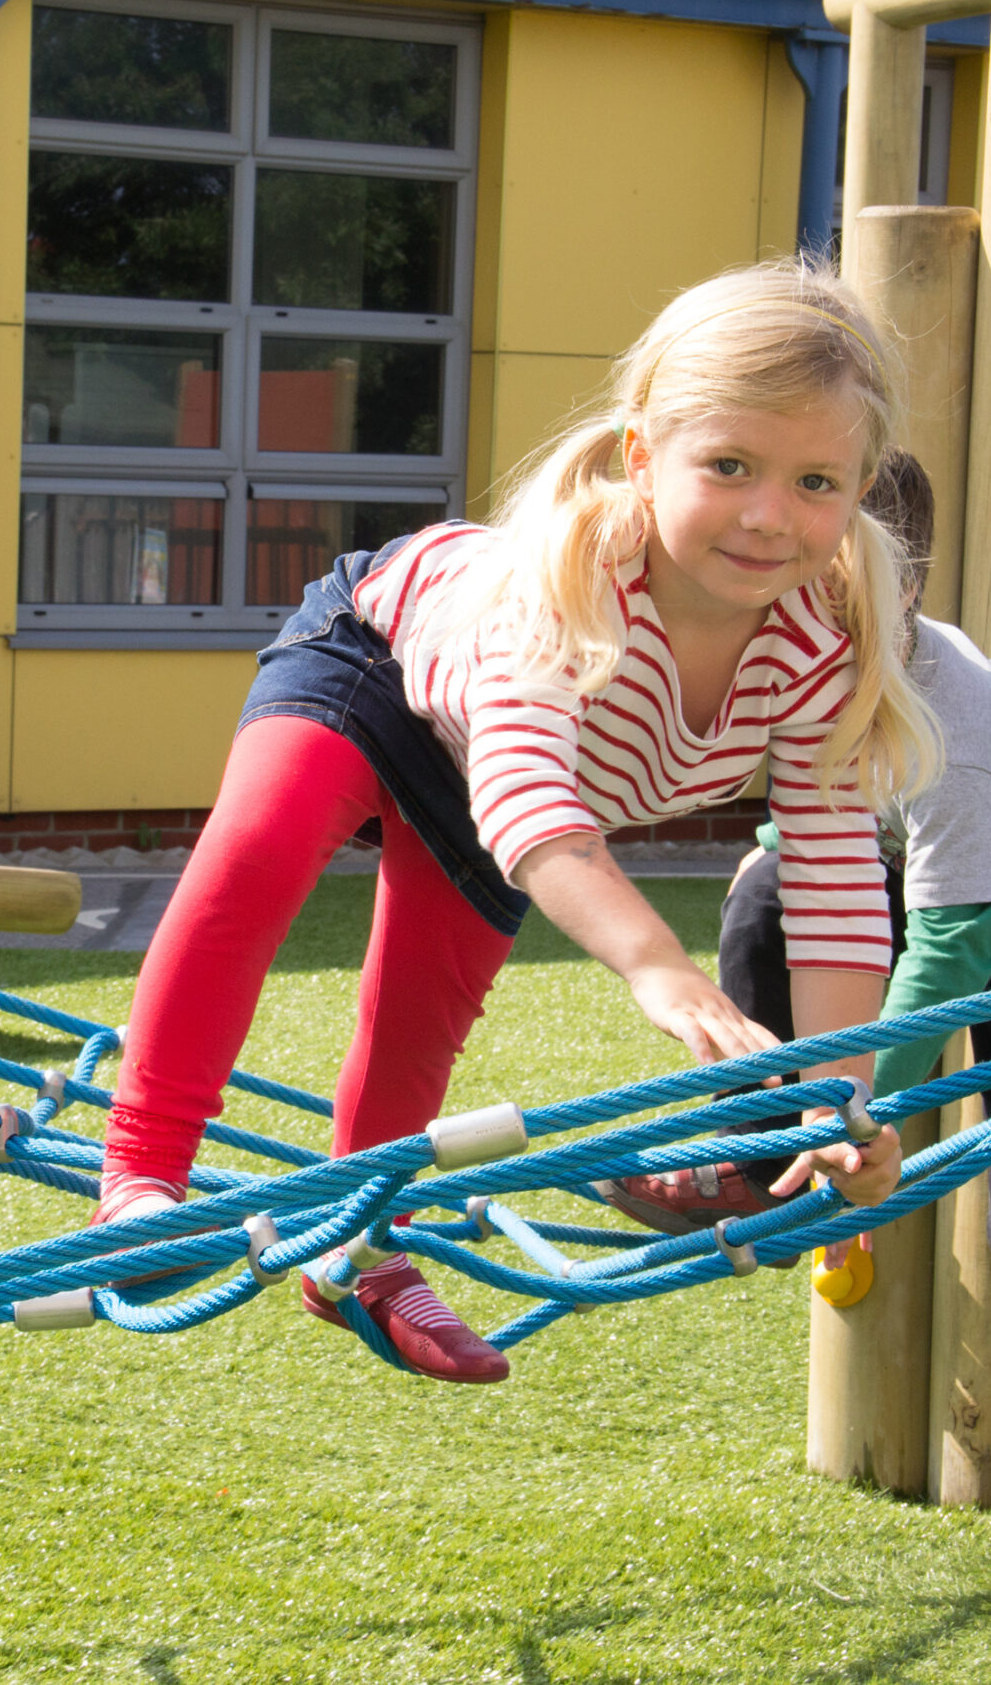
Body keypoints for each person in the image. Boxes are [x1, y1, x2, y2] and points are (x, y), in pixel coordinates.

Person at [93, 259, 937, 1384]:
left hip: (497, 798)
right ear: (643, 454)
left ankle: (359, 1251)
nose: (767, 516)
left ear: (861, 483)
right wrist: (658, 968)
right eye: (727, 466)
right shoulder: (574, 574)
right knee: (255, 860)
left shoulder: (820, 642)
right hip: (378, 664)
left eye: (816, 482)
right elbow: (530, 800)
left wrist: (840, 1099)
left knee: (420, 1017)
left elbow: (835, 892)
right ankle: (142, 1175)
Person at [605, 451, 991, 1604]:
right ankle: (749, 1161)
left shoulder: (953, 729)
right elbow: (815, 852)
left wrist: (847, 1106)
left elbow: (953, 955)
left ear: (896, 591)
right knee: (768, 890)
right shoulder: (814, 680)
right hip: (975, 907)